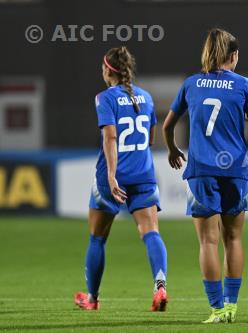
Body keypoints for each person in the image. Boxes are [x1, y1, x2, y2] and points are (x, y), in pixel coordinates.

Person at [162, 28, 248, 323]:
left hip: (202, 169)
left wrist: (173, 149)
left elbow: (167, 125)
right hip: (236, 170)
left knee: (208, 242)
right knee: (234, 237)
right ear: (234, 56)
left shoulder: (191, 84)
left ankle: (215, 309)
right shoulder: (243, 85)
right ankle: (231, 306)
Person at [74, 46, 168, 312]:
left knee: (97, 238)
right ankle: (160, 286)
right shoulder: (146, 98)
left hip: (112, 178)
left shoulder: (105, 98)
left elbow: (110, 137)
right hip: (143, 174)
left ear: (107, 70)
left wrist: (113, 177)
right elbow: (150, 140)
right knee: (151, 233)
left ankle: (92, 299)